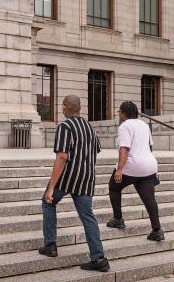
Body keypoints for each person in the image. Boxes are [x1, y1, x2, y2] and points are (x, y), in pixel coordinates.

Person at [39, 95, 110, 272]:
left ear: (64, 108)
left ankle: (50, 245)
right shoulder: (89, 127)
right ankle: (99, 257)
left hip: (67, 177)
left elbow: (62, 156)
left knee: (48, 202)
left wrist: (51, 187)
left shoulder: (65, 126)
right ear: (80, 108)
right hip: (86, 178)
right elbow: (97, 150)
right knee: (88, 216)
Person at [106, 101, 164, 241]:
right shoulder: (144, 124)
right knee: (149, 199)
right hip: (149, 165)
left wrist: (119, 170)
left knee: (113, 187)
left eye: (119, 111)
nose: (118, 113)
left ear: (124, 112)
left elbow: (124, 149)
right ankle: (157, 230)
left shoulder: (125, 126)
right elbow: (150, 147)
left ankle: (118, 219)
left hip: (132, 166)